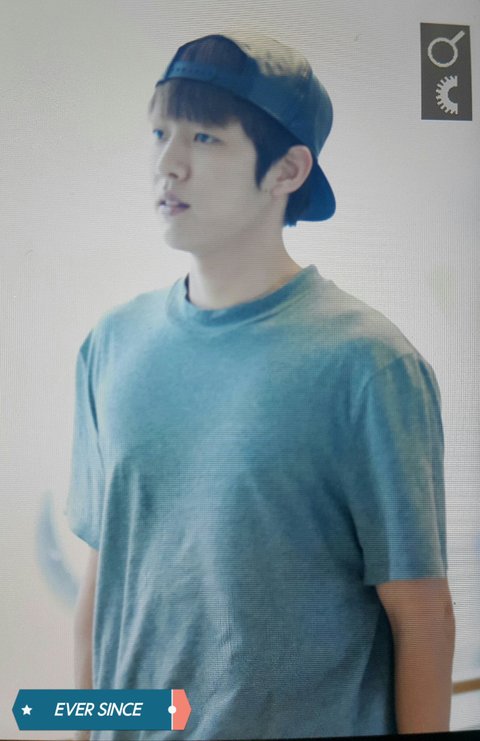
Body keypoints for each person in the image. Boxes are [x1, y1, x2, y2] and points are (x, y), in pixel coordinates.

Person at [67, 29, 455, 740]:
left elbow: (422, 618)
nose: (168, 164)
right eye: (160, 133)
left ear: (287, 169)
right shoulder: (111, 345)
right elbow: (103, 588)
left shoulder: (369, 365)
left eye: (205, 138)